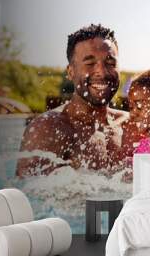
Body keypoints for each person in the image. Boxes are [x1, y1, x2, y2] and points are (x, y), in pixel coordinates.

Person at [16, 24, 127, 177]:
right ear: (71, 72)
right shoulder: (49, 128)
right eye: (89, 63)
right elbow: (30, 195)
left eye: (110, 63)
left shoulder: (130, 124)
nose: (102, 72)